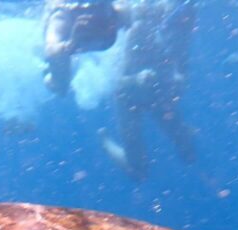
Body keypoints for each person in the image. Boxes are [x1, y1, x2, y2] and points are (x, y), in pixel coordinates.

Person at [98, 0, 197, 180]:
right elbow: (116, 82)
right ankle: (104, 141)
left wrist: (180, 78)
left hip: (156, 94)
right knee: (137, 170)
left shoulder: (175, 33)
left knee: (188, 151)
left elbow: (181, 67)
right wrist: (137, 79)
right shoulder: (135, 33)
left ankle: (184, 137)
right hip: (127, 99)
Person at [42, 0, 132, 95]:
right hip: (67, 39)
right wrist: (71, 45)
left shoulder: (118, 14)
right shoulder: (61, 16)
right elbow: (53, 51)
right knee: (57, 82)